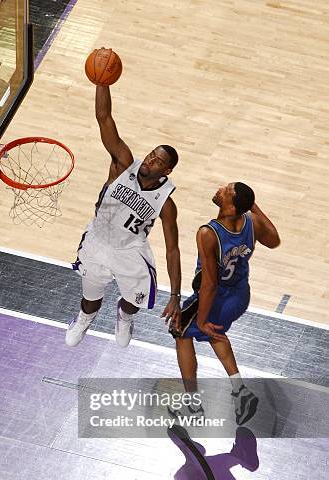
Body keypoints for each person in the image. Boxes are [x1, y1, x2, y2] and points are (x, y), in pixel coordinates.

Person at [66, 83, 182, 348]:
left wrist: (175, 295)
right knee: (91, 298)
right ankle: (85, 318)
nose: (149, 161)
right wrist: (101, 82)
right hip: (97, 241)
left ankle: (124, 317)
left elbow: (173, 250)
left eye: (157, 161)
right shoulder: (122, 163)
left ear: (167, 171)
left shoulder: (166, 203)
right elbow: (104, 118)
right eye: (151, 155)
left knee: (134, 301)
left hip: (131, 251)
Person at [170, 182, 280, 425]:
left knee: (181, 331)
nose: (220, 189)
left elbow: (209, 283)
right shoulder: (252, 221)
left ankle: (193, 406)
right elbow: (274, 240)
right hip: (240, 296)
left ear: (230, 208)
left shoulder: (209, 233)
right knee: (214, 332)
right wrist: (252, 206)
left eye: (226, 192)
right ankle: (240, 391)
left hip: (217, 296)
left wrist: (201, 318)